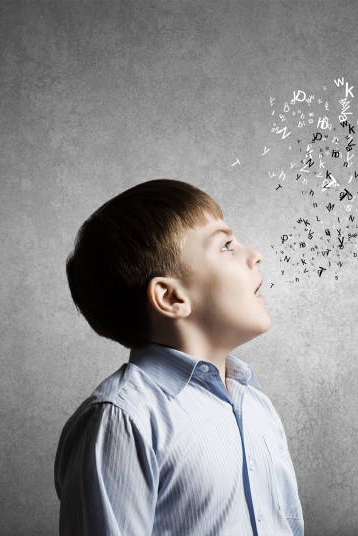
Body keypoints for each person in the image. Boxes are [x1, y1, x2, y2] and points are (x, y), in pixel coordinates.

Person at [55, 179, 302, 536]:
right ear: (171, 297)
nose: (255, 255)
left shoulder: (257, 407)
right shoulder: (123, 419)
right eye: (226, 245)